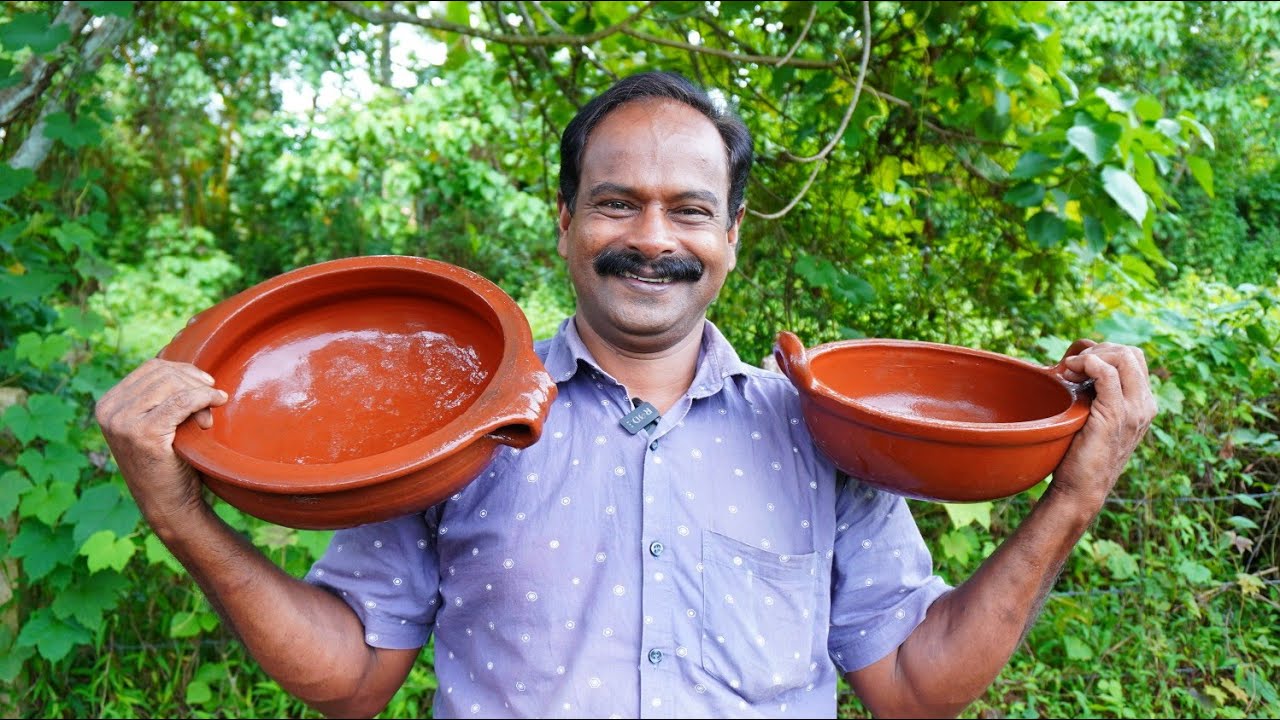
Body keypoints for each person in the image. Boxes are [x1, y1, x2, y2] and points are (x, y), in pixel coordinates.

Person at [95, 71, 1156, 718]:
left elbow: (914, 689)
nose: (652, 238)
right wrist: (182, 516)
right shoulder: (451, 423)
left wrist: (1070, 498)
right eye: (615, 203)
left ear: (731, 238)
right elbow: (350, 681)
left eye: (688, 210)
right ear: (565, 222)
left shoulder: (824, 430)